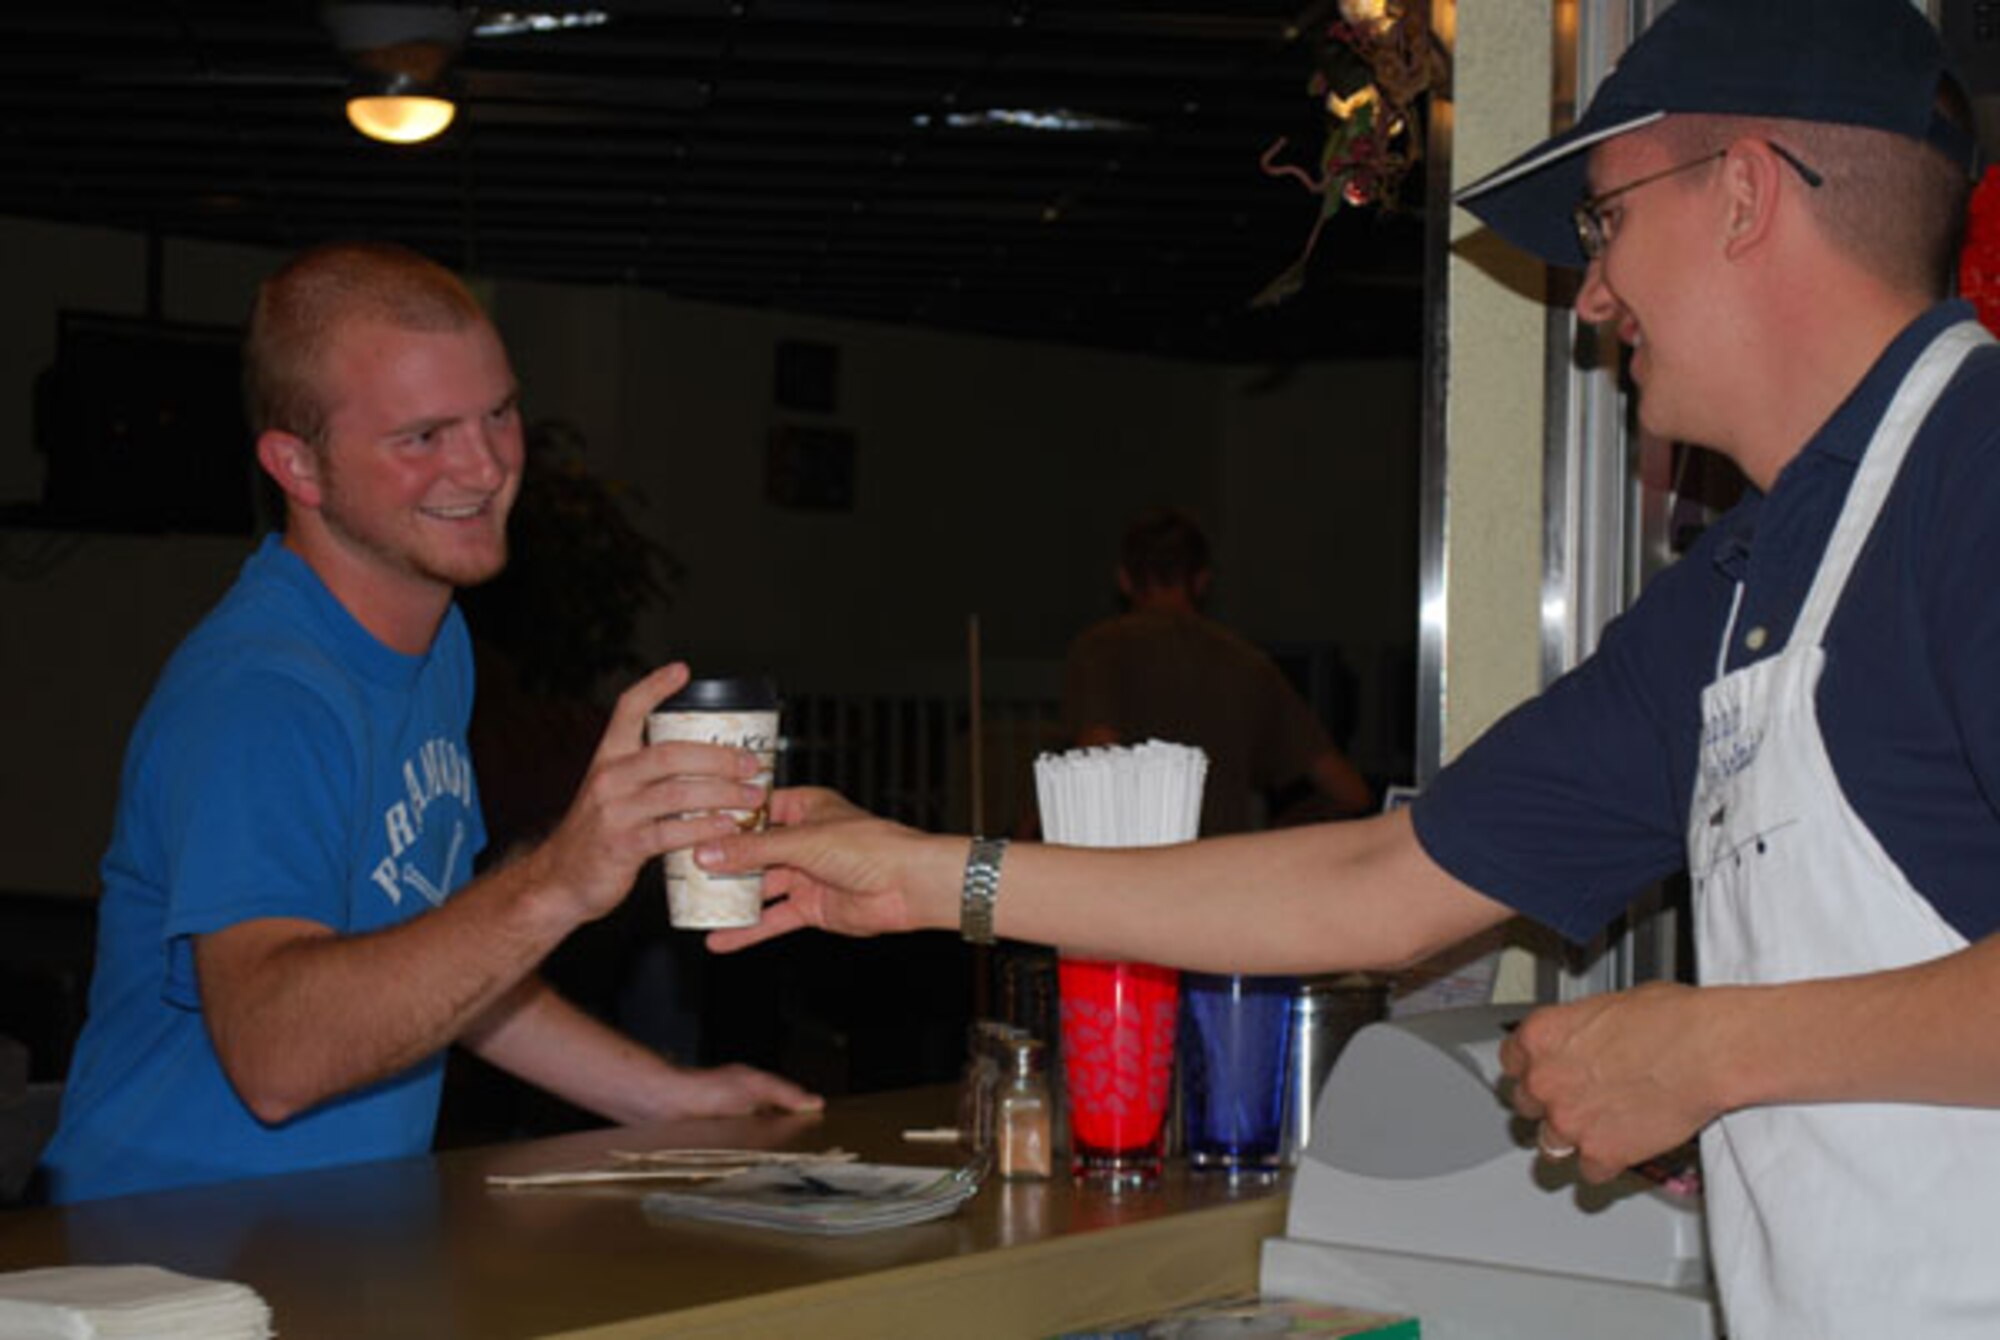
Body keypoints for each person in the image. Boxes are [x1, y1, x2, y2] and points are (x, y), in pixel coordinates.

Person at [699, 1, 2000, 1333]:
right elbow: (1378, 884)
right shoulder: (1741, 588)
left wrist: (1710, 1049)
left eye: (1604, 219)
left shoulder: (1975, 474)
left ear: (1741, 194)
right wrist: (922, 877)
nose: (1591, 294)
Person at [40, 242, 817, 1204]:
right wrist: (558, 881)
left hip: (321, 1247)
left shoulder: (433, 641)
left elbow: (432, 958)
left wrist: (665, 1095)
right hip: (162, 1271)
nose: (486, 466)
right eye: (423, 436)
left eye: (498, 412)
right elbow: (275, 1062)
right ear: (297, 465)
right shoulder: (262, 697)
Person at [1063, 507, 1373, 833]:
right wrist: (1281, 830)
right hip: (1224, 867)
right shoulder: (1249, 664)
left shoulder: (1101, 650)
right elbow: (1351, 793)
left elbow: (1097, 762)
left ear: (1124, 579)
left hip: (1133, 865)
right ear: (1202, 580)